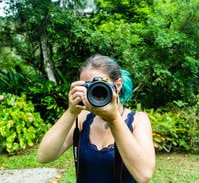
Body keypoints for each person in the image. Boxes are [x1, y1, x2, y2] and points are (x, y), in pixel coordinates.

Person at [38, 54, 155, 183]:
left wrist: (114, 119)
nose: (96, 92)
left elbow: (144, 175)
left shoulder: (138, 120)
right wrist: (71, 112)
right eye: (89, 86)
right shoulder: (82, 118)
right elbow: (44, 156)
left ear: (118, 85)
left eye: (100, 85)